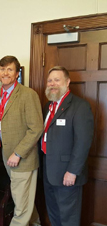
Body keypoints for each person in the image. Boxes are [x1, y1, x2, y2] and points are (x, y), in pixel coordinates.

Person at [0, 56, 43, 226]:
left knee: (20, 208)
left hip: (22, 159)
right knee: (25, 200)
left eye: (10, 69)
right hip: (2, 157)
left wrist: (18, 153)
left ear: (17, 73)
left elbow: (36, 128)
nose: (5, 73)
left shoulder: (28, 94)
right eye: (2, 69)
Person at [41, 66, 94, 226]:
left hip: (67, 174)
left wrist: (72, 171)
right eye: (50, 80)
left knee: (68, 219)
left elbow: (83, 142)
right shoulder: (48, 107)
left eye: (57, 80)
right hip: (48, 172)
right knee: (54, 215)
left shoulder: (80, 106)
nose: (52, 84)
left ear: (67, 82)